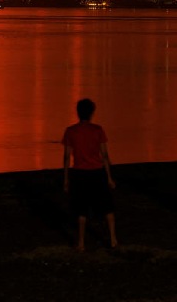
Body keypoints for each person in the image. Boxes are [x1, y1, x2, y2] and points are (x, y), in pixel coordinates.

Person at [62, 98, 118, 251]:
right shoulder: (97, 130)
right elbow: (104, 155)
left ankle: (81, 243)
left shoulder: (71, 131)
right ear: (92, 113)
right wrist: (109, 177)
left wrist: (66, 179)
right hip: (97, 172)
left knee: (81, 209)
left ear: (78, 112)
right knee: (107, 207)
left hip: (80, 173)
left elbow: (67, 157)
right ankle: (113, 239)